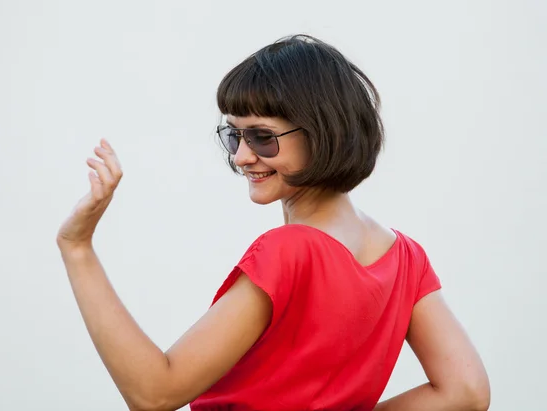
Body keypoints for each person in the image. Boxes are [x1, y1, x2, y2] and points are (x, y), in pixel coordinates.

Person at [56, 35, 490, 411]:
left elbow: (153, 394)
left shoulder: (289, 250)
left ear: (324, 132)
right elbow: (466, 391)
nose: (242, 156)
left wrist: (77, 247)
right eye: (234, 135)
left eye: (262, 137)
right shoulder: (407, 258)